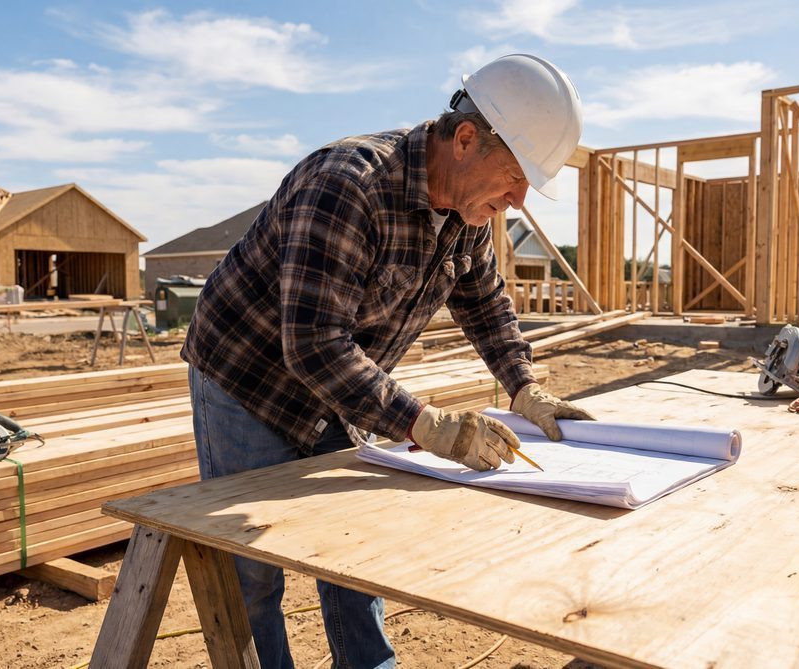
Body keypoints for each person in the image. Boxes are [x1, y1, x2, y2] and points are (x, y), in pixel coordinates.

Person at [181, 53, 594, 669]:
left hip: (336, 382)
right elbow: (315, 343)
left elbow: (484, 304)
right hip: (248, 376)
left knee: (351, 547)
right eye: (513, 176)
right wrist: (425, 425)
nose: (517, 199)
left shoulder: (467, 214)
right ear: (465, 140)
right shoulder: (347, 186)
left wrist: (523, 387)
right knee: (254, 568)